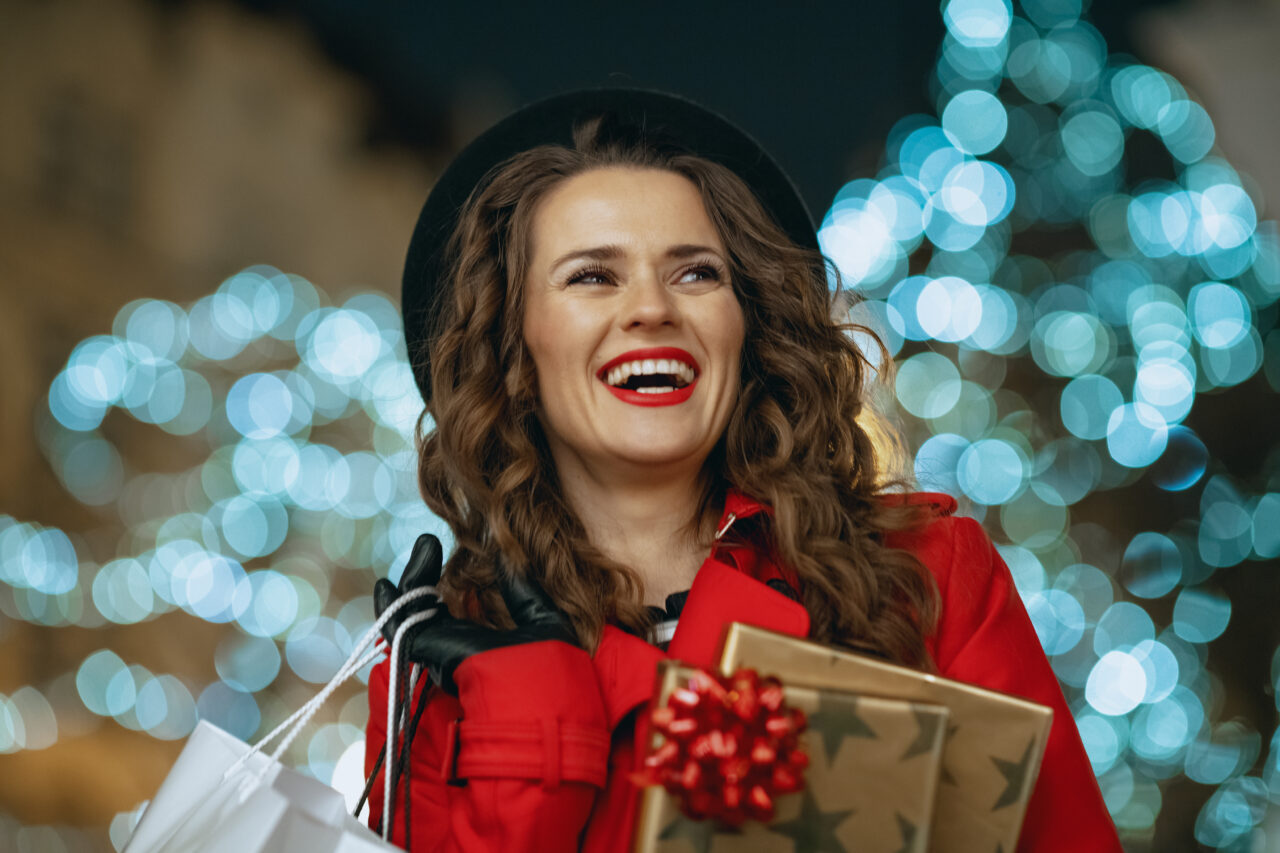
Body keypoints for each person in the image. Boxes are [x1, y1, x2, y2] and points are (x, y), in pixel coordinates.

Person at [363, 89, 1122, 852]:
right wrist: (538, 734)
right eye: (593, 275)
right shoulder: (441, 664)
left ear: (747, 322)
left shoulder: (923, 577)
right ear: (513, 339)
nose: (652, 308)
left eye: (696, 273)